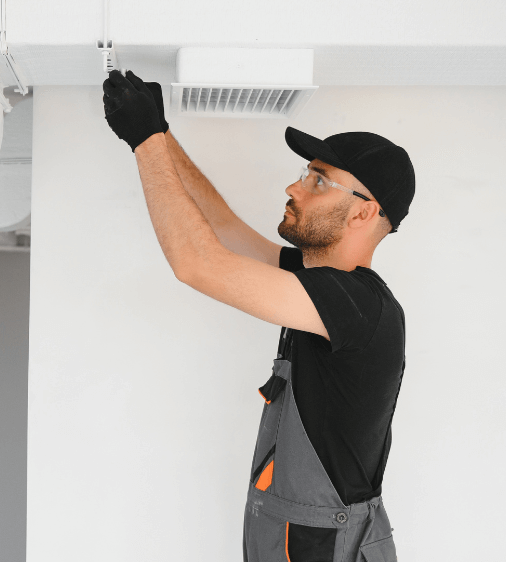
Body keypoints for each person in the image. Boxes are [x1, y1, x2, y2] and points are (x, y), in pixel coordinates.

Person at [102, 69, 414, 562]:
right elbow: (222, 229)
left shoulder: (356, 305)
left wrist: (144, 142)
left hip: (320, 546)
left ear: (362, 213)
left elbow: (198, 264)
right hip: (295, 537)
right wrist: (160, 134)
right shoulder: (318, 284)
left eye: (318, 180)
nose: (295, 186)